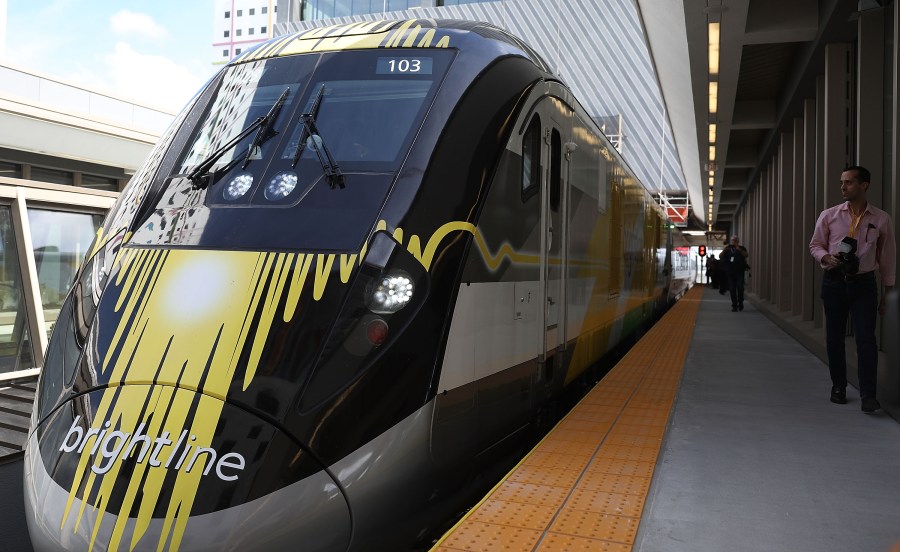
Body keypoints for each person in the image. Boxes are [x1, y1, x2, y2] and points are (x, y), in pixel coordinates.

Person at [809, 165, 896, 413]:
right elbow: (815, 245)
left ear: (864, 185)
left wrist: (888, 293)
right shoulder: (829, 215)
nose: (843, 187)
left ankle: (869, 394)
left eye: (848, 182)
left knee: (866, 340)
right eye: (841, 182)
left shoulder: (881, 219)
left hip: (864, 284)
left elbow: (888, 257)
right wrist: (826, 258)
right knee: (834, 339)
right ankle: (838, 386)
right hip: (834, 282)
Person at [721, 235, 749, 311]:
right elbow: (721, 256)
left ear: (738, 241)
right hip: (730, 272)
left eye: (736, 240)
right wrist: (724, 251)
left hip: (739, 272)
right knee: (732, 289)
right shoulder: (728, 249)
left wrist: (739, 249)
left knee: (740, 287)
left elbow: (746, 255)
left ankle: (740, 302)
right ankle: (734, 305)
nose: (734, 242)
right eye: (733, 240)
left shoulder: (742, 248)